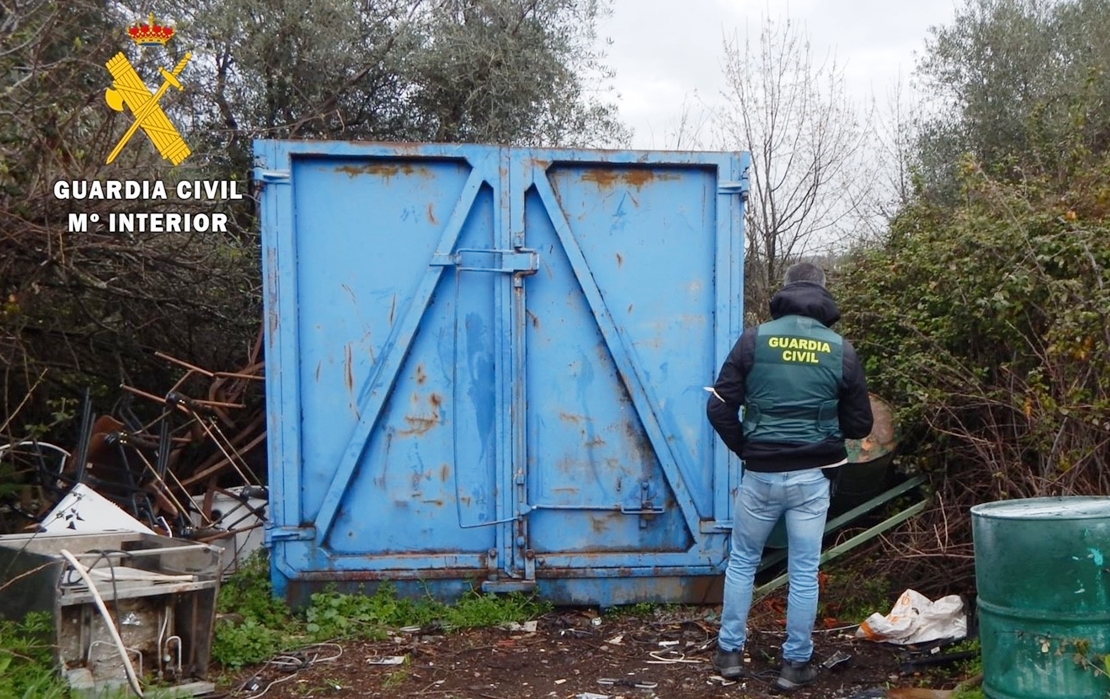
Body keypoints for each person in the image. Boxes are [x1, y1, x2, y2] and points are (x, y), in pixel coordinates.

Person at [706, 262, 873, 693]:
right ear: (823, 293)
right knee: (803, 571)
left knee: (742, 562)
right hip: (812, 479)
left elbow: (719, 407)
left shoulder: (753, 340)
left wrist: (749, 449)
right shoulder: (841, 350)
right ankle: (794, 664)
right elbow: (859, 426)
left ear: (784, 290)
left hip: (760, 475)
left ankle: (729, 655)